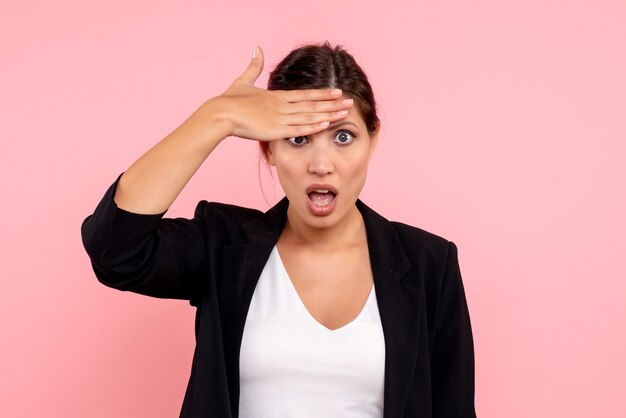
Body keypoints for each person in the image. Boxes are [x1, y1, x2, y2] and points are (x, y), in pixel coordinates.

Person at [81, 42, 476, 418]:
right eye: (298, 138)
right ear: (268, 149)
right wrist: (217, 117)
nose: (321, 164)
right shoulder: (224, 246)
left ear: (372, 141)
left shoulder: (429, 265)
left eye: (343, 137)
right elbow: (115, 249)